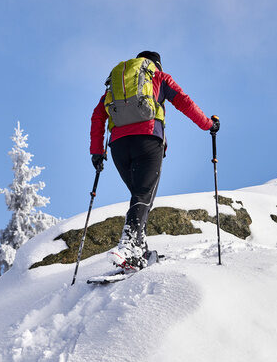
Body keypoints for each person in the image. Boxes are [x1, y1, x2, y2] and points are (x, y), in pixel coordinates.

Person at [90, 51, 219, 271]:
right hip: (148, 141)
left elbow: (98, 115)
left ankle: (139, 251)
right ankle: (128, 245)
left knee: (139, 197)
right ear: (156, 64)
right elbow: (184, 102)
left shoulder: (116, 85)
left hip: (118, 147)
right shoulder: (158, 76)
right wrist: (209, 124)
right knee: (143, 196)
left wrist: (96, 151)